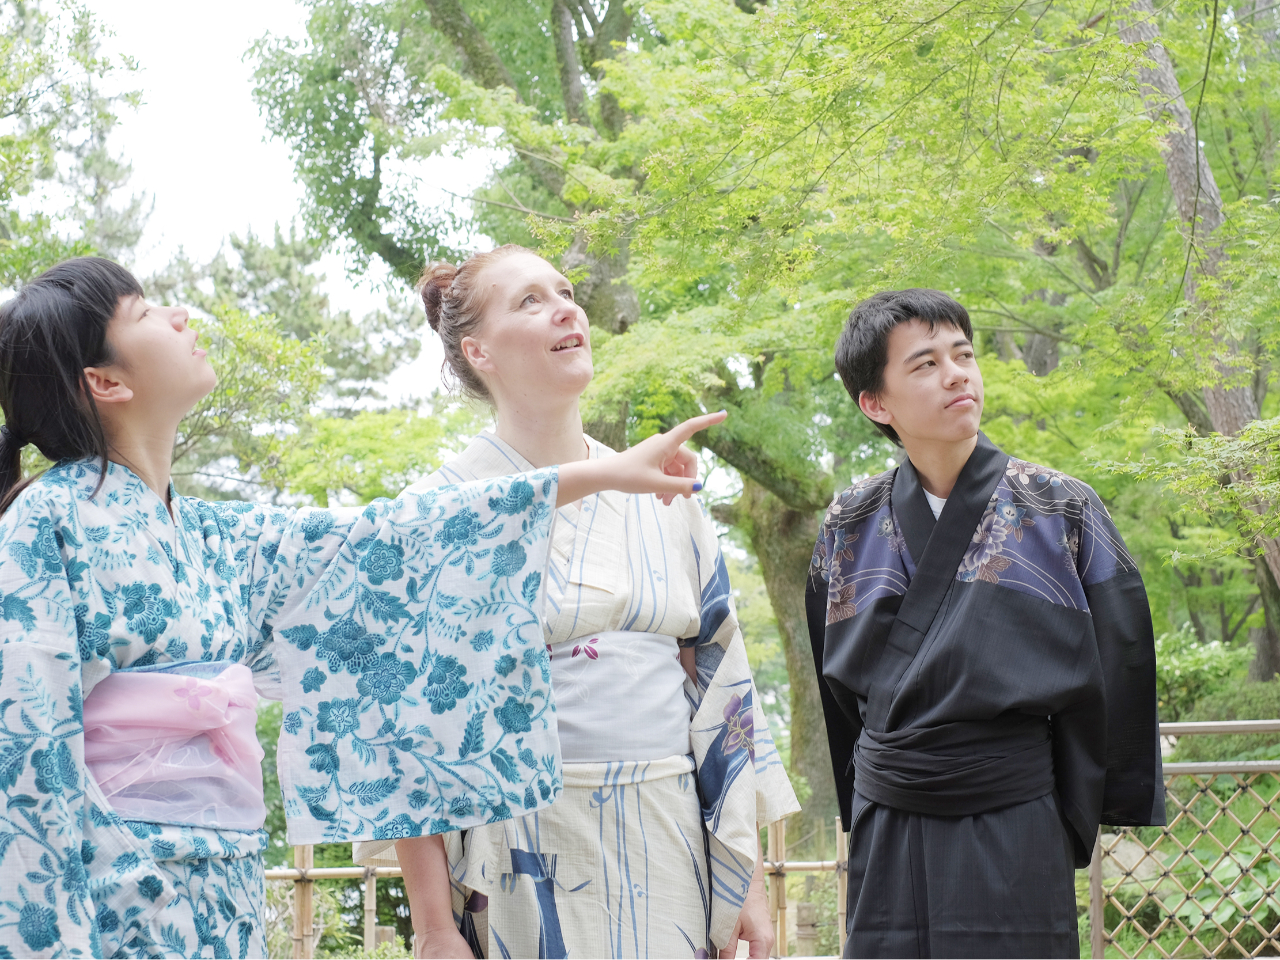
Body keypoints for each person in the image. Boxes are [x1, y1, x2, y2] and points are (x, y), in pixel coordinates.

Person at [0, 256, 724, 958]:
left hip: (223, 890)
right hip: (115, 893)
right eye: (145, 313)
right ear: (104, 380)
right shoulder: (47, 520)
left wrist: (604, 472)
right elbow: (27, 752)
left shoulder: (218, 533)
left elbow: (393, 536)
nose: (180, 315)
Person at [352, 244, 800, 959]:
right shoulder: (433, 511)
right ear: (478, 351)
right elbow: (405, 731)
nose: (566, 309)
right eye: (529, 300)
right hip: (520, 841)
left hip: (668, 827)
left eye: (565, 292)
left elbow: (721, 685)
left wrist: (741, 882)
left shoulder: (662, 492)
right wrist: (435, 926)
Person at [806, 288, 1164, 958]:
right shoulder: (849, 522)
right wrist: (871, 788)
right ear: (876, 403)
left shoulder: (1060, 508)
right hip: (891, 812)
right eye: (925, 364)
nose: (956, 374)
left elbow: (1121, 661)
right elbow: (840, 688)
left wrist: (1070, 813)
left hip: (1015, 811)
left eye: (963, 355)